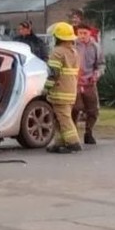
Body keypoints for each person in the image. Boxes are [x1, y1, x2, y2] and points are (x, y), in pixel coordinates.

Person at [45, 22, 82, 154]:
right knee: (60, 118)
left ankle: (73, 142)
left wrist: (46, 88)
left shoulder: (57, 53)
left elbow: (53, 74)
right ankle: (59, 142)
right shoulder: (74, 52)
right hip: (70, 91)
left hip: (59, 91)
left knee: (64, 118)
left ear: (57, 38)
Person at [72, 23, 105, 145]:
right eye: (80, 33)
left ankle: (89, 132)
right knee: (75, 108)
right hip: (75, 82)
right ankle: (73, 133)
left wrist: (97, 74)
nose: (82, 36)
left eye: (84, 33)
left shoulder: (96, 47)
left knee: (93, 110)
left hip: (90, 82)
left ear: (89, 33)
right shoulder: (73, 46)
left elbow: (101, 64)